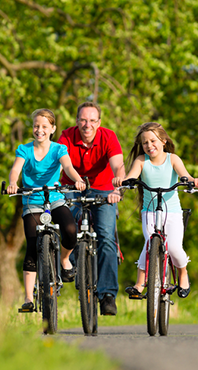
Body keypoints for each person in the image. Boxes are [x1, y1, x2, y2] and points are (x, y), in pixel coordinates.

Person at [112, 122, 198, 299]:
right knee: (149, 244)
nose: (149, 145)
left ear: (163, 141)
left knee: (175, 248)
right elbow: (131, 176)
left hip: (173, 212)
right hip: (150, 211)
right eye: (145, 142)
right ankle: (140, 284)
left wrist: (193, 181)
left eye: (153, 141)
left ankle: (183, 274)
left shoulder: (172, 159)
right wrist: (123, 182)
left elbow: (184, 175)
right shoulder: (141, 161)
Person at [7, 108, 86, 311]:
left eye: (44, 126)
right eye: (36, 126)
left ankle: (64, 259)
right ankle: (28, 299)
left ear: (52, 128)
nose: (39, 130)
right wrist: (13, 182)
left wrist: (77, 180)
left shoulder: (58, 149)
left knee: (70, 230)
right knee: (32, 247)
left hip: (55, 199)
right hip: (32, 202)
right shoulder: (24, 150)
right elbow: (16, 168)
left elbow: (68, 167)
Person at [57, 101, 125, 316]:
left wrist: (119, 187)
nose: (88, 125)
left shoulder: (108, 136)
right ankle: (72, 263)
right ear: (77, 121)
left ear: (99, 122)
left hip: (103, 189)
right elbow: (58, 162)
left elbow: (118, 166)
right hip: (71, 187)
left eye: (92, 120)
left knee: (105, 235)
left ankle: (107, 295)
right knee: (67, 226)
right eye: (83, 120)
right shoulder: (66, 137)